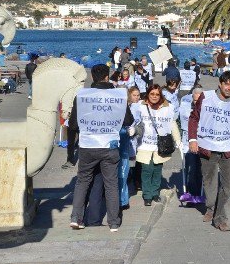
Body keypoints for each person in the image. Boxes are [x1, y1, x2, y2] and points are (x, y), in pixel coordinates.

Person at [69, 64, 134, 232]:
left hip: (88, 145)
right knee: (111, 183)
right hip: (109, 145)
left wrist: (70, 151)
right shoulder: (118, 96)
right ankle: (114, 222)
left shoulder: (82, 96)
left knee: (83, 181)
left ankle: (76, 218)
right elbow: (128, 120)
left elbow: (73, 125)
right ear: (107, 77)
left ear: (92, 77)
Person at [188, 71, 230, 231]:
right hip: (207, 146)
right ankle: (211, 207)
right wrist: (192, 139)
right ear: (220, 84)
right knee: (210, 183)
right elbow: (194, 118)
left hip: (229, 149)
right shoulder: (206, 98)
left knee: (228, 187)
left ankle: (221, 218)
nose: (229, 88)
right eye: (226, 84)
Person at [132, 84, 181, 206]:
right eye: (152, 94)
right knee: (147, 169)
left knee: (157, 169)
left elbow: (172, 124)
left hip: (160, 144)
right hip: (144, 144)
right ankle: (147, 195)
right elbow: (133, 121)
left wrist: (178, 141)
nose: (154, 96)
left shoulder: (167, 107)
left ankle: (155, 192)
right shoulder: (140, 106)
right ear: (148, 94)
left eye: (157, 94)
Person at [119, 86, 141, 210]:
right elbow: (129, 120)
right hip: (120, 138)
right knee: (121, 168)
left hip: (124, 140)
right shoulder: (122, 104)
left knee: (123, 169)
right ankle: (121, 199)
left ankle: (121, 199)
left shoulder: (136, 106)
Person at [180, 88, 203, 197]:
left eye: (199, 100)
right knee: (191, 169)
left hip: (204, 144)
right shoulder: (185, 107)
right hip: (188, 144)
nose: (196, 103)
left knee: (201, 170)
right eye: (195, 100)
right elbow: (175, 121)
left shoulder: (207, 109)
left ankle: (201, 193)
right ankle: (192, 193)